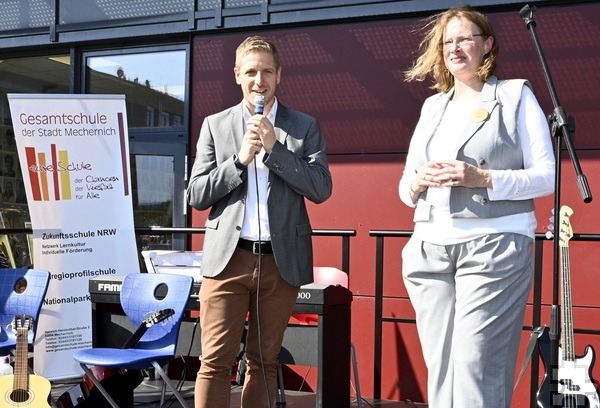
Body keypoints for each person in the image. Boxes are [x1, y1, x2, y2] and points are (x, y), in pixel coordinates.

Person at [399, 5, 555, 408]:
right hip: (429, 250)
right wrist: (418, 181)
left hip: (494, 247)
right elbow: (404, 187)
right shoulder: (433, 107)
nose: (455, 48)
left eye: (465, 38)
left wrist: (483, 179)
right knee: (444, 371)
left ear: (487, 45)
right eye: (448, 41)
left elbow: (547, 176)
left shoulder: (514, 94)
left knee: (475, 369)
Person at [187, 36, 332, 408]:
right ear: (237, 75)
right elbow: (196, 194)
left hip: (279, 262)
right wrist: (237, 161)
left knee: (265, 362)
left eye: (267, 71)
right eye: (251, 71)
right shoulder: (215, 126)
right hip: (227, 260)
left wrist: (275, 150)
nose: (259, 80)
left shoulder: (303, 126)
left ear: (279, 75)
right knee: (214, 362)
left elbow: (320, 188)